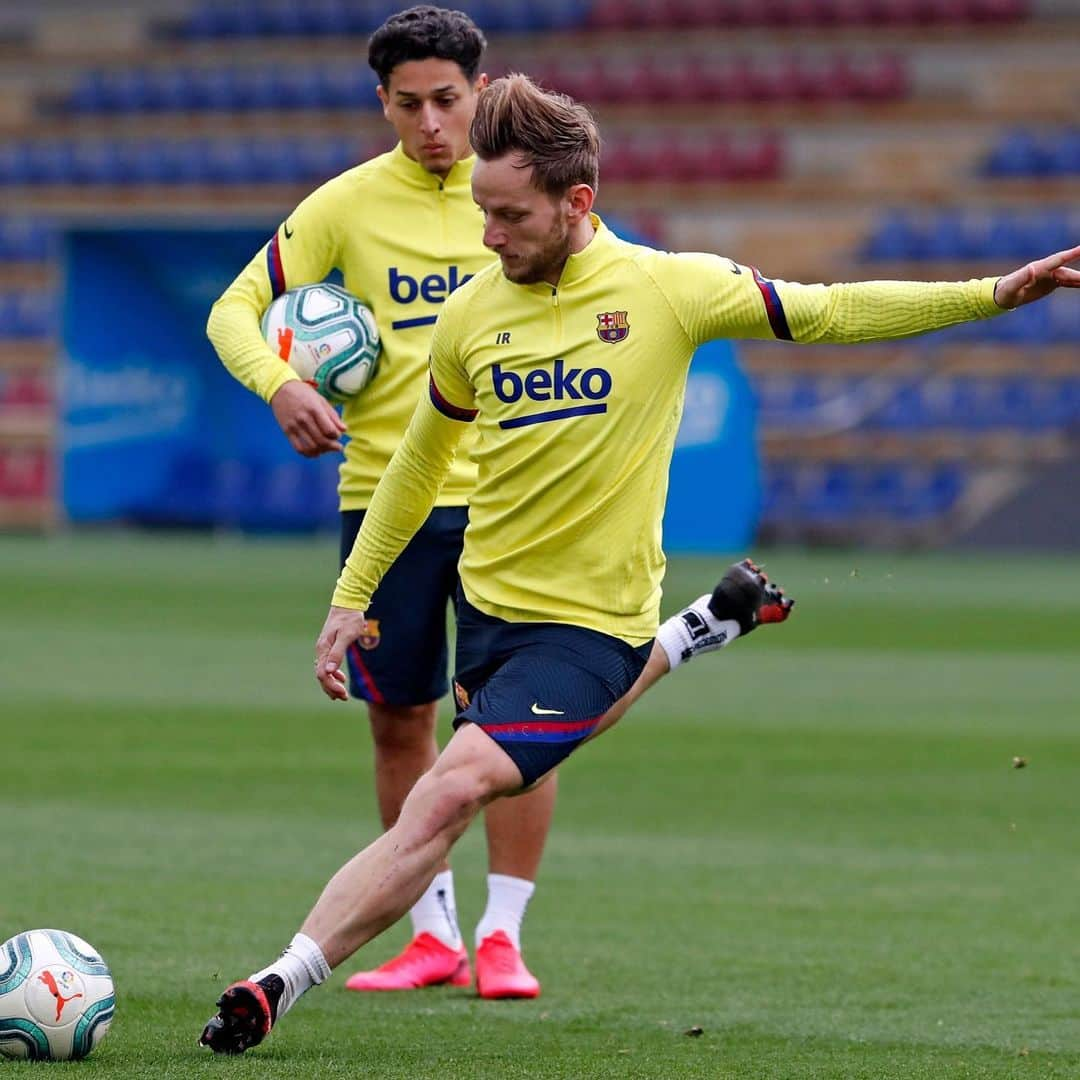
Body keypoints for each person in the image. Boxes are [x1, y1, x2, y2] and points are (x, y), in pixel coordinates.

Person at [209, 65, 1080, 1056]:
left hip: (589, 625)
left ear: (577, 203)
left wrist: (989, 295)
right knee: (471, 784)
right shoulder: (472, 315)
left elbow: (829, 311)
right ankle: (702, 629)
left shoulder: (670, 289)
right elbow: (414, 468)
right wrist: (347, 597)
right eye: (482, 215)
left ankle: (279, 981)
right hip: (490, 607)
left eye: (507, 217)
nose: (487, 237)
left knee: (447, 792)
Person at [204, 8, 781, 1003]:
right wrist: (280, 382)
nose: (430, 121)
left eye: (447, 99)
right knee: (402, 724)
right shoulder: (344, 206)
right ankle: (429, 936)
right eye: (408, 102)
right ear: (380, 103)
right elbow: (233, 310)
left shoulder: (522, 192)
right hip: (389, 487)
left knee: (514, 727)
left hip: (516, 500)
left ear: (479, 93)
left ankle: (502, 933)